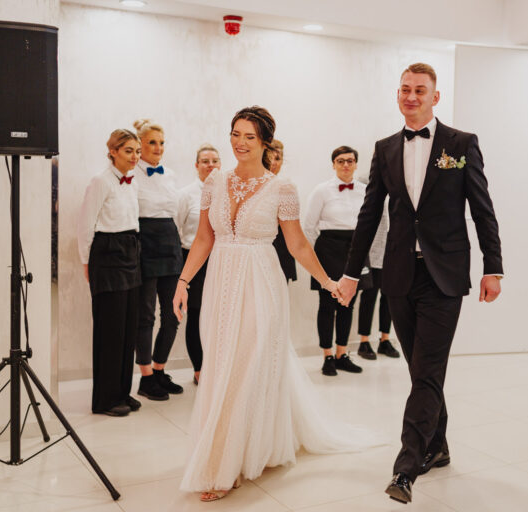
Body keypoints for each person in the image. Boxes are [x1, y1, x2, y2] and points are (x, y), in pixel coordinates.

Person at [173, 106, 375, 502]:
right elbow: (204, 238)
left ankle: (226, 464)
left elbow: (297, 243)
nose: (240, 143)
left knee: (245, 369)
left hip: (261, 283)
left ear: (265, 142)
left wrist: (328, 282)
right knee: (220, 368)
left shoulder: (282, 188)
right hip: (219, 282)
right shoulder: (214, 181)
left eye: (249, 136)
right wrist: (183, 282)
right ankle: (232, 449)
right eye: (235, 134)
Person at [337, 63, 503, 504]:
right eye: (405, 90)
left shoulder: (461, 144)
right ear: (398, 95)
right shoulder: (385, 148)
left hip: (444, 275)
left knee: (427, 370)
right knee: (420, 369)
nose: (411, 97)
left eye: (420, 91)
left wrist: (493, 266)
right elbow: (369, 215)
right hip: (398, 274)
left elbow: (482, 209)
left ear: (435, 97)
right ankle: (438, 446)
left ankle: (406, 467)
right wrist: (351, 273)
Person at [77, 129, 143, 417]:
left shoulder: (132, 181)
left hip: (130, 251)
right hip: (107, 254)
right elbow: (85, 225)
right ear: (113, 151)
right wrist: (86, 263)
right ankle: (105, 399)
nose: (135, 156)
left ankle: (122, 392)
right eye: (129, 150)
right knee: (110, 330)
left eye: (137, 151)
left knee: (128, 328)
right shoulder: (100, 181)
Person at [303, 146, 370, 376]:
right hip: (328, 249)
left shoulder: (365, 191)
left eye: (350, 161)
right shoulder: (321, 191)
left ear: (356, 164)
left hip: (356, 249)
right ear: (333, 164)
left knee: (348, 303)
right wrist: (314, 260)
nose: (346, 165)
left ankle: (342, 354)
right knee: (327, 304)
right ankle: (328, 356)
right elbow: (309, 227)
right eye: (340, 161)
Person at [132, 119, 185, 401]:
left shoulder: (171, 175)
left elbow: (175, 212)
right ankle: (146, 377)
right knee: (146, 314)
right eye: (152, 142)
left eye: (162, 143)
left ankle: (160, 369)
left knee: (173, 313)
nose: (158, 148)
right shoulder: (132, 174)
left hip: (170, 241)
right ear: (140, 144)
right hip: (145, 242)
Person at [176, 144, 221, 386]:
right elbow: (177, 229)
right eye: (205, 161)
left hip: (221, 260)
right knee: (196, 315)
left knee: (219, 316)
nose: (210, 165)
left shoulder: (228, 192)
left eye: (215, 161)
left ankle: (218, 368)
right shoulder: (185, 195)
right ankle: (199, 369)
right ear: (196, 165)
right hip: (194, 260)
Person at [356, 203, 400, 360]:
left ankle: (385, 339)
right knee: (369, 297)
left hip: (393, 254)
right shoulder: (371, 192)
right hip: (372, 255)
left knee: (389, 298)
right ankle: (364, 341)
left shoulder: (398, 195)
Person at [268, 140, 297, 282]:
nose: (273, 163)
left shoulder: (286, 188)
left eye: (278, 159)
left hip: (281, 247)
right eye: (269, 158)